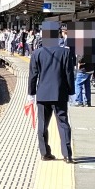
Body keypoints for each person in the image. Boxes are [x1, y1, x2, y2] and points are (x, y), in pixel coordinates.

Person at [27, 22, 76, 163]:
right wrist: (71, 93)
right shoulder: (65, 52)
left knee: (42, 124)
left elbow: (33, 75)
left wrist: (31, 94)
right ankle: (67, 155)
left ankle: (45, 153)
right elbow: (69, 74)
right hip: (60, 94)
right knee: (63, 123)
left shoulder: (36, 53)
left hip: (42, 94)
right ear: (57, 35)